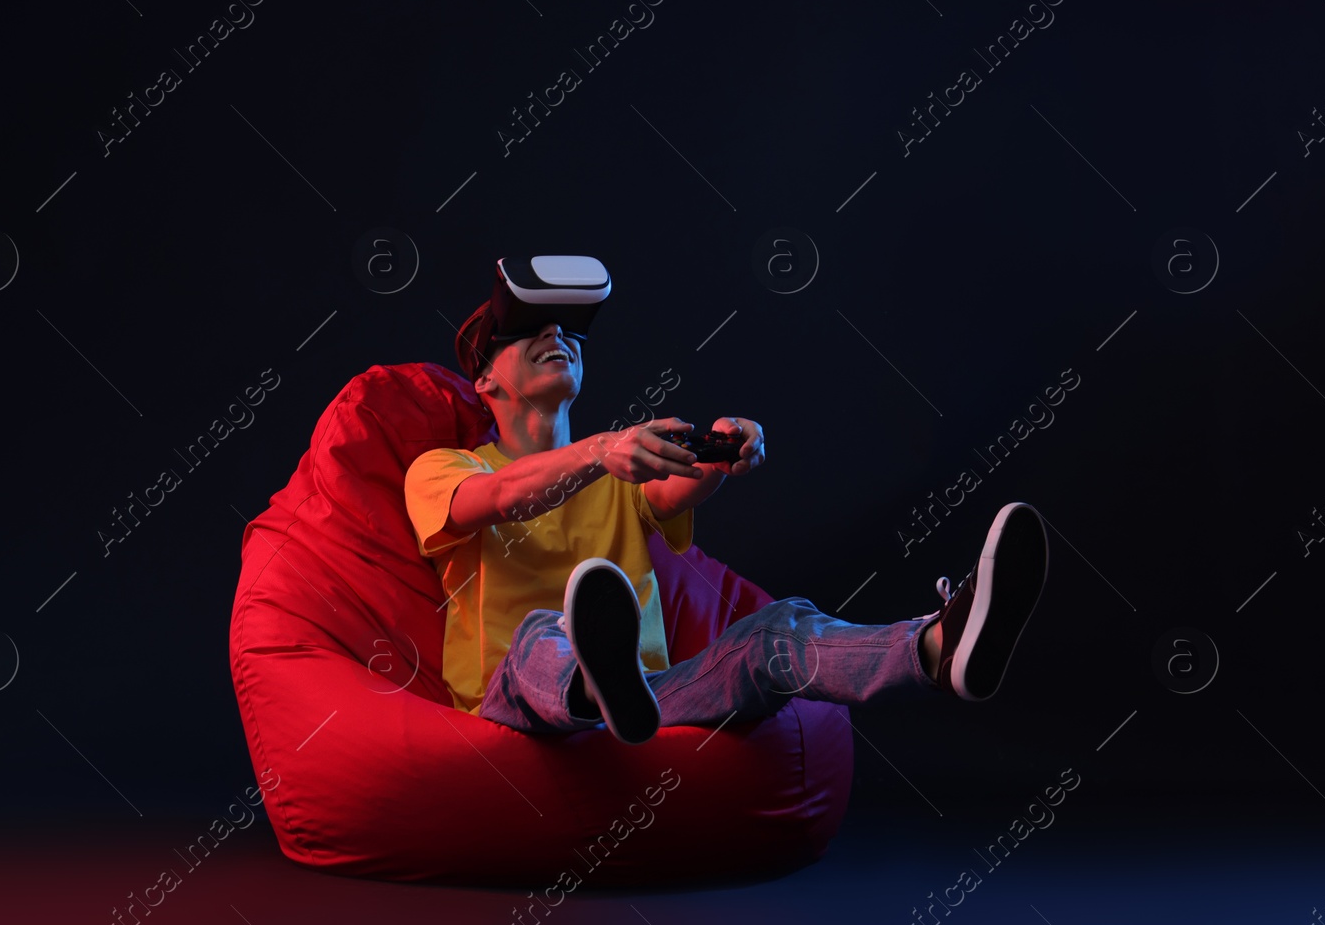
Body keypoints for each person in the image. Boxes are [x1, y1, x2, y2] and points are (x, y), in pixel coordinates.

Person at [402, 302, 1049, 744]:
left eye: (570, 329)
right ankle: (587, 685)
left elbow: (681, 481)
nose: (559, 336)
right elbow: (501, 499)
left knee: (776, 629)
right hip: (516, 706)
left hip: (645, 704)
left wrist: (730, 447)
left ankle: (939, 647)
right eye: (529, 330)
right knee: (545, 631)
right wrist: (602, 448)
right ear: (484, 375)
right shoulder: (444, 467)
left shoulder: (618, 473)